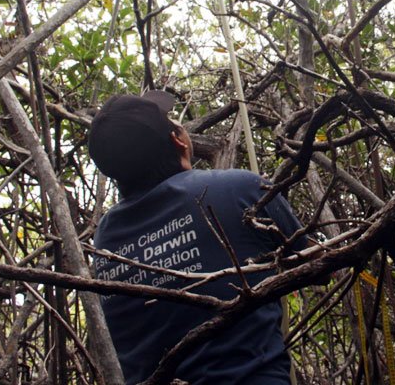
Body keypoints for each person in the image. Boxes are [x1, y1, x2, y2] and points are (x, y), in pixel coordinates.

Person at [88, 91, 307, 385]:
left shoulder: (105, 239)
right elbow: (316, 265)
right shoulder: (241, 188)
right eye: (170, 120)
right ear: (178, 140)